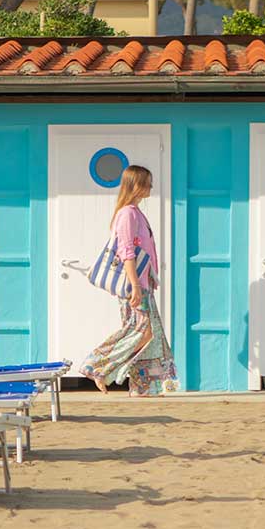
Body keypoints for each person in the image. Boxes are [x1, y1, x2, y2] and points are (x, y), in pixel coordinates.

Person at [77, 163, 177, 396]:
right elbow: (126, 252)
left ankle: (144, 386)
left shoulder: (135, 212)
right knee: (140, 331)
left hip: (142, 285)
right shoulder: (127, 214)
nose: (151, 186)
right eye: (147, 182)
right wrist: (135, 285)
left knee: (151, 334)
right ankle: (97, 366)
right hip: (134, 287)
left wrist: (147, 280)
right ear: (137, 185)